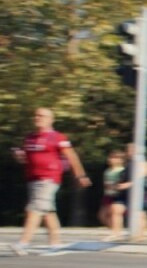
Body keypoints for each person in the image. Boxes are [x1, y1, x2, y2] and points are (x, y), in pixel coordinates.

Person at [11, 107, 92, 254]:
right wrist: (19, 157)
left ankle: (24, 243)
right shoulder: (30, 137)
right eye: (36, 115)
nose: (37, 118)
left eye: (42, 116)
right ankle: (55, 243)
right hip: (33, 179)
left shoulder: (58, 137)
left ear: (50, 119)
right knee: (48, 211)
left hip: (49, 178)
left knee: (34, 209)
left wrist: (80, 175)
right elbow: (27, 158)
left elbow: (72, 156)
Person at [99, 150, 126, 237]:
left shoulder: (122, 170)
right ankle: (115, 230)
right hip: (108, 195)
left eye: (115, 158)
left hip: (118, 195)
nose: (112, 160)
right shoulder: (107, 171)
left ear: (121, 160)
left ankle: (116, 232)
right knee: (102, 215)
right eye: (111, 157)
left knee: (115, 213)